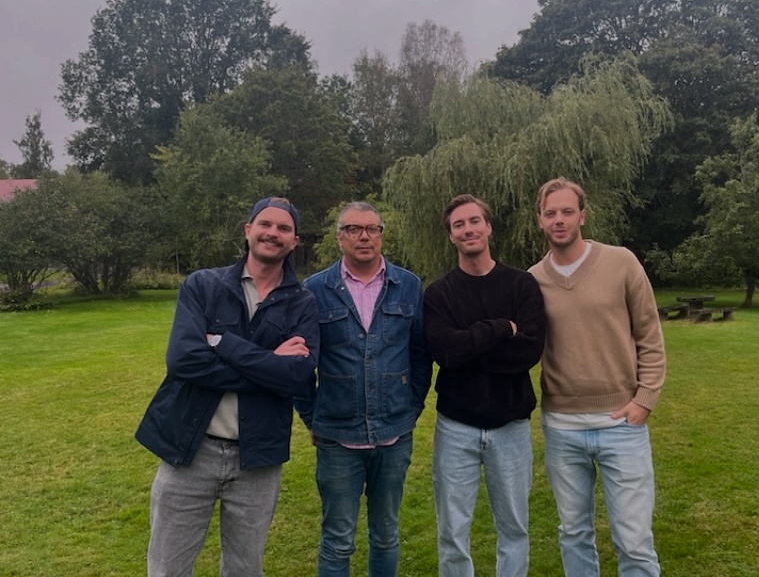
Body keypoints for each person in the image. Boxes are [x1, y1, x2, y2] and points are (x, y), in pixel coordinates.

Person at [135, 196, 319, 577]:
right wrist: (270, 364)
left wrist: (224, 344)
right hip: (189, 448)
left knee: (244, 569)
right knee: (167, 567)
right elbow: (184, 360)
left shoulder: (303, 302)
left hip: (258, 457)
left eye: (284, 228)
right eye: (265, 224)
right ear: (248, 230)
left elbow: (297, 377)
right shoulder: (203, 285)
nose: (273, 233)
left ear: (295, 241)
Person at [528, 178, 666, 577]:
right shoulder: (532, 279)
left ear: (582, 215)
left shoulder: (621, 262)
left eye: (567, 211)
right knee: (573, 533)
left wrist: (645, 398)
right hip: (562, 427)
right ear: (540, 219)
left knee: (634, 539)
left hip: (622, 423)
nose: (559, 220)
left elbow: (650, 335)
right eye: (550, 213)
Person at [297, 201, 432, 577]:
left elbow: (421, 355)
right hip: (338, 438)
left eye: (372, 229)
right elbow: (300, 365)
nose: (364, 236)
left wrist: (411, 408)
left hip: (394, 435)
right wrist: (314, 416)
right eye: (354, 229)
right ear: (339, 237)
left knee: (386, 534)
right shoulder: (314, 290)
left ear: (381, 235)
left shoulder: (408, 285)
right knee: (337, 538)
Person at [423, 194, 546, 577]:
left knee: (513, 526)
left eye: (474, 221)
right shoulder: (439, 293)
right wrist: (498, 329)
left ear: (488, 227)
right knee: (453, 531)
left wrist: (470, 348)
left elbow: (528, 352)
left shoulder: (521, 284)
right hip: (455, 425)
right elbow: (445, 353)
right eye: (458, 224)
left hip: (510, 425)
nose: (468, 229)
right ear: (451, 236)